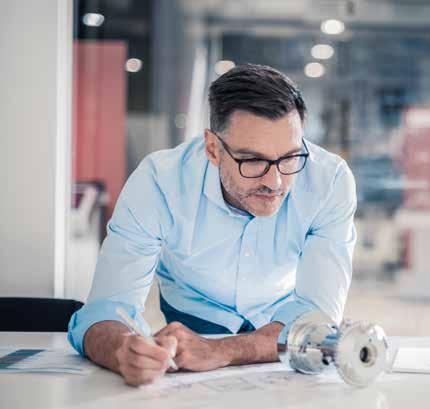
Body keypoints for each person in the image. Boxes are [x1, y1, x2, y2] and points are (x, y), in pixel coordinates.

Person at [67, 63, 357, 386]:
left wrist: (223, 350)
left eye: (289, 157)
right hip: (193, 321)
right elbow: (106, 309)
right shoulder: (159, 182)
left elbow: (318, 320)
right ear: (213, 149)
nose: (275, 182)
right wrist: (122, 350)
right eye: (253, 160)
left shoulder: (330, 181)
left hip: (283, 325)